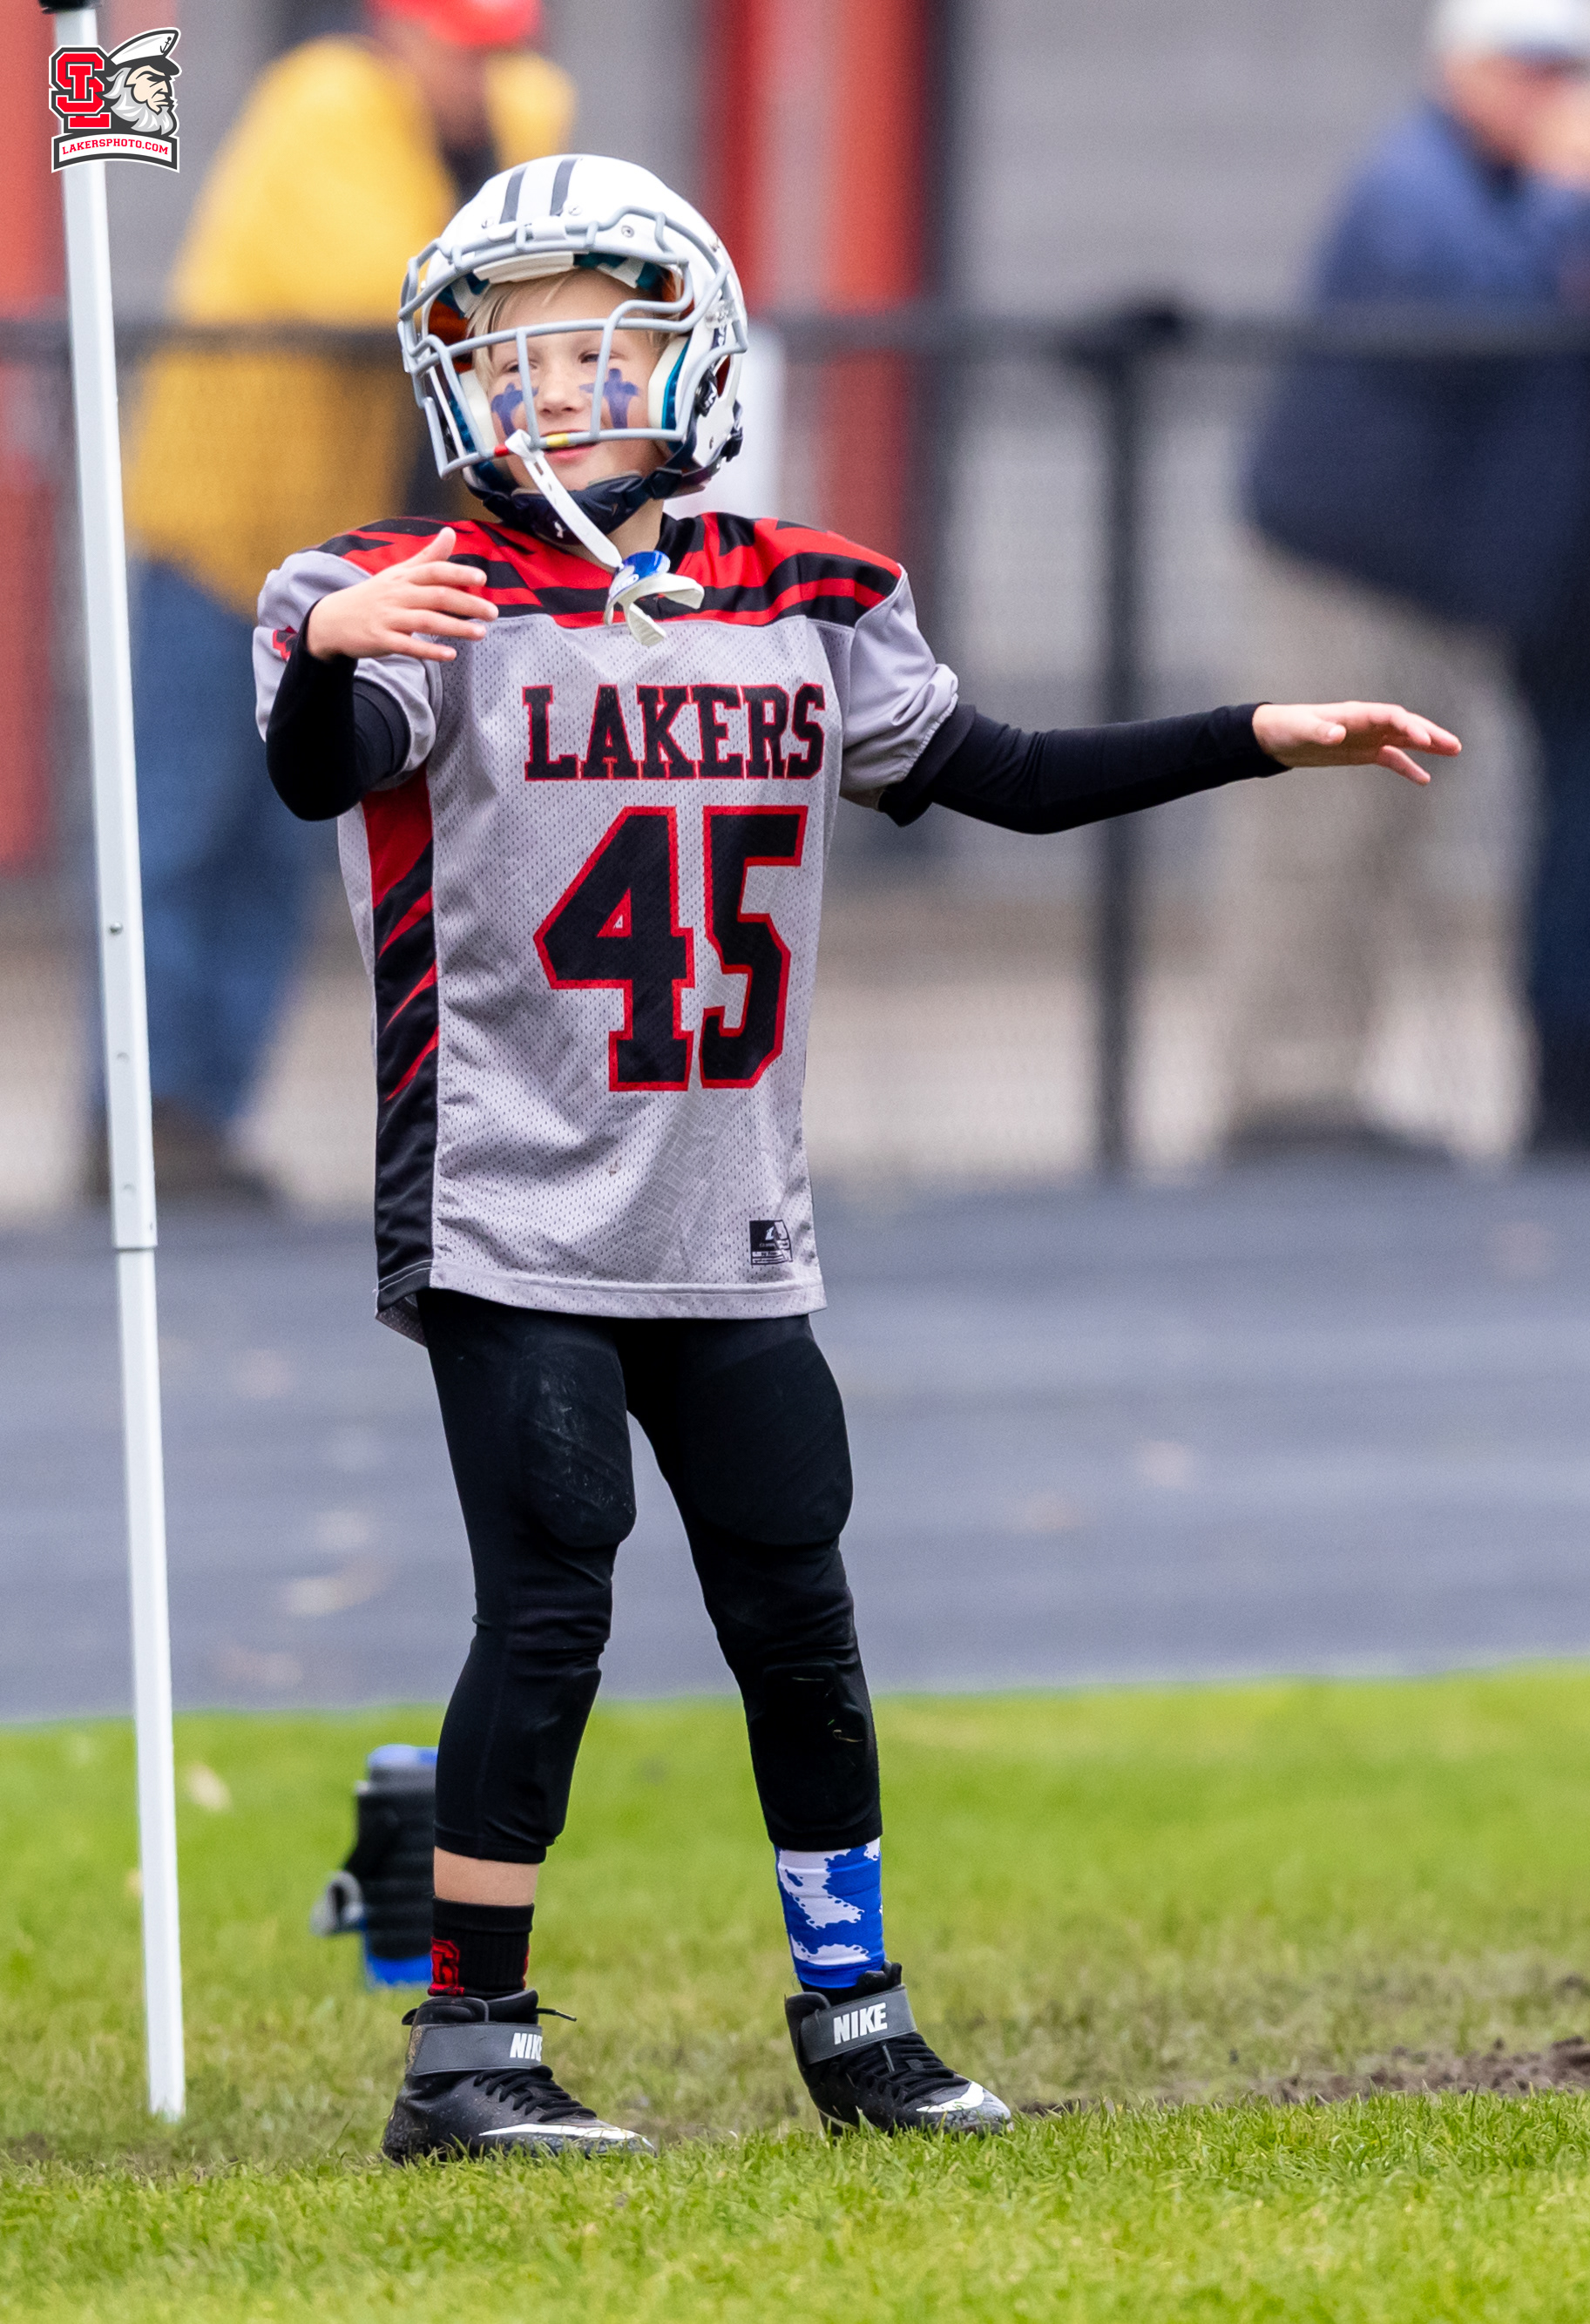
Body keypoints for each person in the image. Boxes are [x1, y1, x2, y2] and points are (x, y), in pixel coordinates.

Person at [255, 154, 1460, 2159]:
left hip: (727, 1207)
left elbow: (1008, 778)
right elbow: (325, 770)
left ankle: (859, 2019)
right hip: (512, 1198)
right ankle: (468, 2048)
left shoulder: (807, 593)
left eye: (593, 349)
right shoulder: (395, 588)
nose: (550, 391)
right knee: (548, 1605)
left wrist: (1257, 729)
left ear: (693, 363)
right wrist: (323, 653)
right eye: (513, 357)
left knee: (797, 1612)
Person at [108, 0, 572, 1200]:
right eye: (459, 46)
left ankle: (205, 1116)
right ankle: (136, 1118)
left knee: (283, 839)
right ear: (395, 30)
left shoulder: (523, 113)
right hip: (229, 542)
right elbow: (385, 286)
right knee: (179, 829)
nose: (480, 72)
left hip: (362, 568)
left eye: (498, 48)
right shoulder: (323, 103)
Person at [1231, 0, 1590, 1155]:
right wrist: (1563, 194)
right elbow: (1473, 311)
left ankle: (1327, 1088)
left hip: (1431, 584)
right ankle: (1283, 1095)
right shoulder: (1415, 184)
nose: (1554, 96)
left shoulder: (1502, 189)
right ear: (1462, 69)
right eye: (1529, 68)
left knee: (1381, 841)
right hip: (1347, 572)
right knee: (1318, 838)